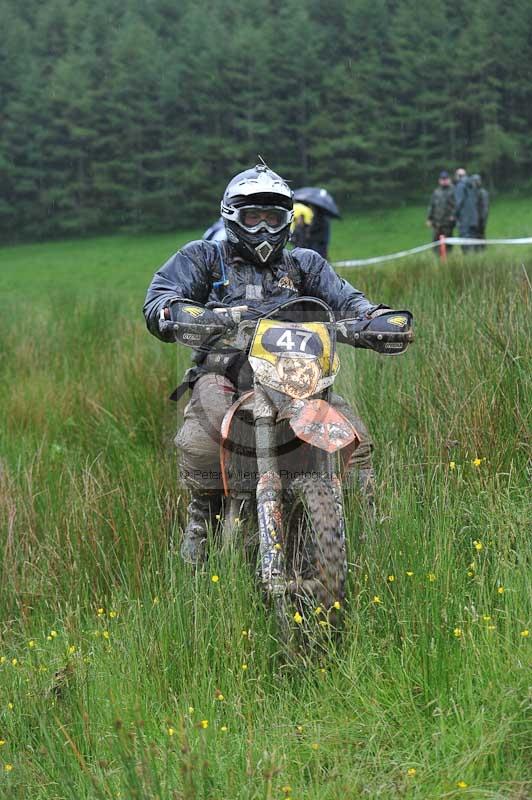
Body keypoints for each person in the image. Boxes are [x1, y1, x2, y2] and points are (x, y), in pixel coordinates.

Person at [143, 164, 404, 564]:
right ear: (233, 217)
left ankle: (368, 526)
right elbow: (162, 295)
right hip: (225, 372)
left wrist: (372, 319)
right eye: (254, 217)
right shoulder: (205, 257)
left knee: (354, 437)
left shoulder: (305, 264)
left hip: (297, 375)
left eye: (273, 218)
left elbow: (348, 300)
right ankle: (202, 519)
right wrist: (175, 311)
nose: (264, 228)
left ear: (287, 220)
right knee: (202, 438)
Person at [426, 171, 456, 256]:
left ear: (449, 180)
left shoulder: (453, 191)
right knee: (436, 243)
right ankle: (436, 258)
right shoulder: (436, 192)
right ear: (439, 180)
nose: (444, 181)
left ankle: (448, 258)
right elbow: (432, 206)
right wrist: (429, 218)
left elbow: (457, 206)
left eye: (445, 179)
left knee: (448, 243)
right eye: (442, 179)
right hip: (437, 223)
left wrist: (453, 216)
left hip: (448, 223)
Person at [454, 168, 478, 254]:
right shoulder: (473, 186)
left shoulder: (460, 186)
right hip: (474, 218)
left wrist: (454, 215)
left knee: (465, 241)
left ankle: (467, 258)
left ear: (458, 176)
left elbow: (458, 202)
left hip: (464, 218)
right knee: (472, 240)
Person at [471, 174, 489, 250]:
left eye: (476, 181)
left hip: (480, 219)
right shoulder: (472, 193)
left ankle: (482, 250)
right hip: (474, 219)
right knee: (474, 236)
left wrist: (482, 219)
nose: (475, 183)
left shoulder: (483, 192)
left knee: (480, 235)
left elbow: (485, 207)